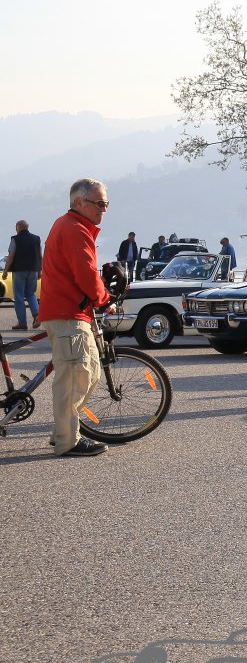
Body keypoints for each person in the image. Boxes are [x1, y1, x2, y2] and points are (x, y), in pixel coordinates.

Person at [39, 180, 114, 456]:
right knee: (74, 378)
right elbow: (86, 273)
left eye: (106, 204)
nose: (103, 209)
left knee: (89, 372)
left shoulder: (73, 226)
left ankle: (63, 432)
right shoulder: (74, 229)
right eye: (99, 203)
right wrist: (104, 299)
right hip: (67, 313)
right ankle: (67, 441)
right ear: (78, 202)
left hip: (71, 312)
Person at [6, 219, 43, 329]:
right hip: (33, 271)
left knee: (19, 296)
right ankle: (37, 315)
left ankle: (22, 323)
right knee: (31, 294)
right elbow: (40, 256)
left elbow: (11, 256)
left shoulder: (15, 239)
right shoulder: (36, 239)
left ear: (19, 227)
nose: (15, 229)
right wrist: (40, 270)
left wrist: (5, 270)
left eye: (16, 227)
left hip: (19, 271)